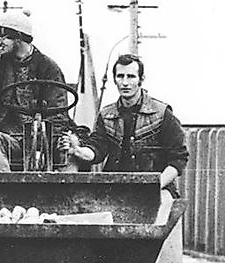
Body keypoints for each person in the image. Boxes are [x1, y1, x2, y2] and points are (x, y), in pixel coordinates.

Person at [60, 54, 189, 189]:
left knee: (160, 208)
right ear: (115, 79)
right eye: (120, 76)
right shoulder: (106, 115)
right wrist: (77, 150)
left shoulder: (162, 113)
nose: (125, 82)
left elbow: (178, 157)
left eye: (131, 76)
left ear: (141, 79)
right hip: (115, 187)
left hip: (157, 187)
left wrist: (156, 186)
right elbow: (97, 149)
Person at [0, 9, 75, 170]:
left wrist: (40, 140)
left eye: (3, 36)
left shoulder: (48, 68)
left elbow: (58, 114)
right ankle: (5, 189)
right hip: (7, 140)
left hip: (41, 141)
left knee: (70, 155)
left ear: (18, 37)